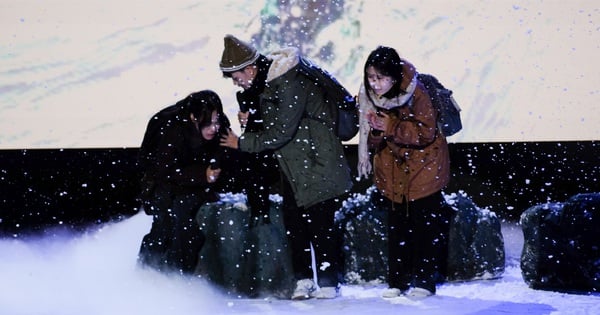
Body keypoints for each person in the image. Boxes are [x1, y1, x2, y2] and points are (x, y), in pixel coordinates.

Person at [219, 34, 353, 299]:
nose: (238, 83)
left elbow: (282, 131)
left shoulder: (289, 82)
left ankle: (327, 282)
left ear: (250, 69)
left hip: (317, 161)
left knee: (320, 225)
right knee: (295, 225)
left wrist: (241, 142)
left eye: (238, 78)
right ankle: (303, 280)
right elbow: (273, 126)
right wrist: (251, 117)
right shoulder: (267, 85)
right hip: (294, 165)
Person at [357, 46, 452, 299]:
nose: (374, 84)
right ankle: (397, 281)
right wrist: (376, 131)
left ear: (393, 76)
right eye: (370, 77)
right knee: (397, 228)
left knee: (424, 228)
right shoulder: (369, 97)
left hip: (423, 168)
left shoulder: (417, 92)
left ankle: (424, 280)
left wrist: (391, 125)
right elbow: (375, 141)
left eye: (380, 78)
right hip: (392, 170)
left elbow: (425, 133)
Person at [137, 90, 231, 275]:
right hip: (161, 183)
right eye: (209, 123)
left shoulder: (218, 123)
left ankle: (179, 278)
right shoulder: (170, 128)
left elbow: (225, 150)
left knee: (186, 229)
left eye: (216, 121)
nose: (214, 127)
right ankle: (144, 275)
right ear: (194, 117)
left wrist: (215, 168)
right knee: (163, 230)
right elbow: (162, 170)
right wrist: (201, 174)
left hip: (193, 185)